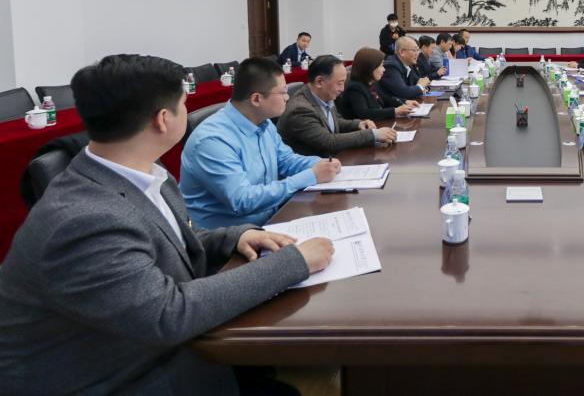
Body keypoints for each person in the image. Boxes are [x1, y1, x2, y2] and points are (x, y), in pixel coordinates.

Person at [0, 54, 334, 395]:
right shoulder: (83, 219)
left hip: (151, 350)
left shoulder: (145, 172)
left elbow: (173, 238)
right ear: (163, 119)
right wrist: (294, 262)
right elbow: (169, 314)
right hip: (116, 376)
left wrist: (236, 236)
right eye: (184, 104)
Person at [181, 58, 343, 228]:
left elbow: (286, 161)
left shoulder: (264, 124)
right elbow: (243, 200)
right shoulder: (212, 141)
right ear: (257, 99)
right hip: (233, 237)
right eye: (282, 92)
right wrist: (311, 176)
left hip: (271, 220)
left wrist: (319, 164)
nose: (287, 97)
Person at [277, 55, 397, 157]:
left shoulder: (324, 94)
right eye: (339, 83)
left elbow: (333, 122)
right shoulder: (300, 110)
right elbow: (328, 142)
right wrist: (373, 135)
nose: (342, 89)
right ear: (320, 82)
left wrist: (358, 124)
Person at [339, 47, 420, 121]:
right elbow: (364, 114)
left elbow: (385, 99)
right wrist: (395, 111)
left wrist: (405, 102)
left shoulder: (370, 83)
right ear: (370, 67)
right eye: (381, 66)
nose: (384, 69)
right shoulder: (355, 88)